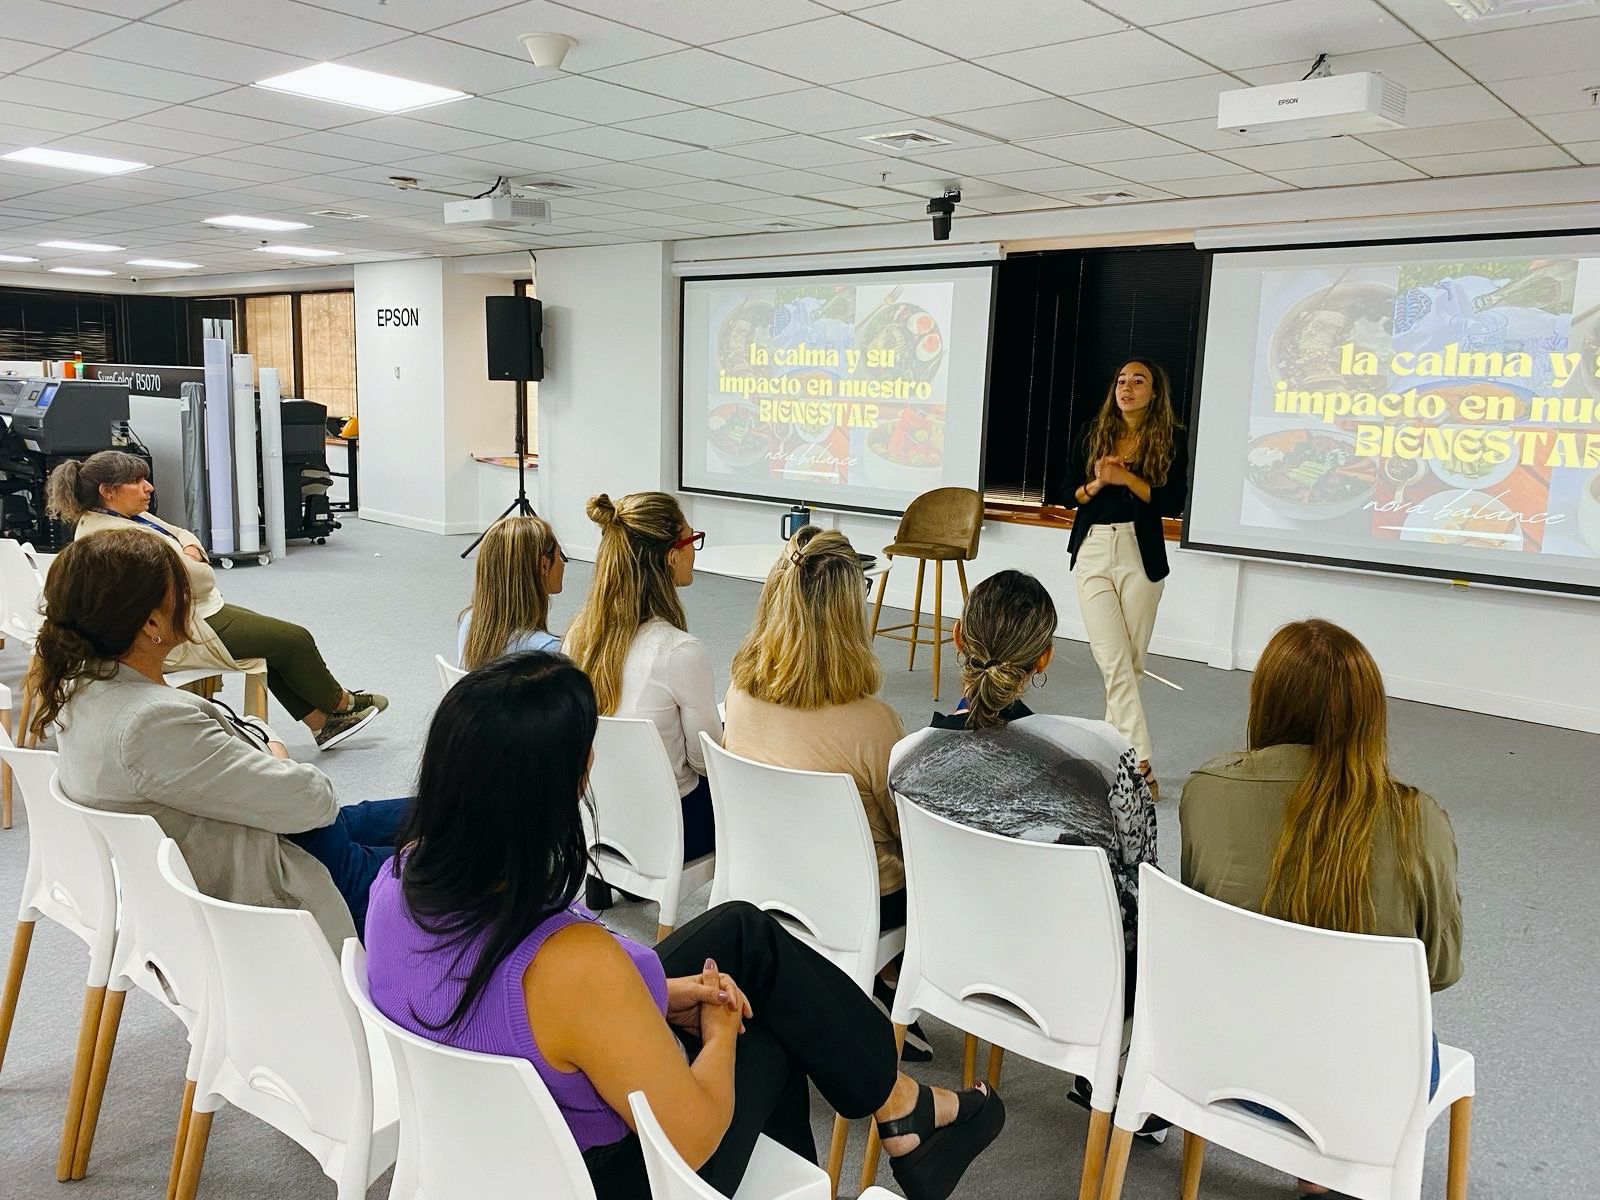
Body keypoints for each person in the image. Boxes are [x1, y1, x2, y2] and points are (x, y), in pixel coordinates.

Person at [364, 652, 1005, 1200]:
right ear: (561, 784)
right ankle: (904, 1117)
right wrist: (720, 1032)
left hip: (491, 1146)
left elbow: (526, 1013)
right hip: (604, 1178)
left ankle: (901, 1106)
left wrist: (661, 995)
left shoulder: (396, 880)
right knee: (764, 1031)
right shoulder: (574, 964)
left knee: (743, 933)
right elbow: (692, 1139)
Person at [1181, 619, 1462, 1174]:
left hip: (1220, 1061)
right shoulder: (1417, 820)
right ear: (1369, 713)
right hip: (1367, 1090)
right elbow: (1439, 969)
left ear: (1265, 700)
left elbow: (1200, 918)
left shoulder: (1205, 791)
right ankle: (1326, 1176)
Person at [36, 530, 407, 944]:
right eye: (182, 589)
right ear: (152, 623)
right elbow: (312, 800)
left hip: (264, 834)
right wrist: (276, 754)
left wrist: (264, 756)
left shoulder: (80, 689)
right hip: (290, 868)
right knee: (459, 853)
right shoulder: (151, 723)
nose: (192, 599)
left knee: (447, 808)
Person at [888, 570, 1157, 1003]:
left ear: (957, 637)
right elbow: (1145, 873)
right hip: (1082, 981)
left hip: (957, 957)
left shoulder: (905, 760)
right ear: (1044, 658)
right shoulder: (1103, 754)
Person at [720, 528, 920, 1054]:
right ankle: (889, 977)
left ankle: (877, 977)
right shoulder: (874, 723)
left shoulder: (739, 694)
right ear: (850, 613)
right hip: (858, 899)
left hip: (765, 876)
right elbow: (909, 834)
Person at [48, 451, 385, 750]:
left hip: (195, 610)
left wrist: (188, 550)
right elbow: (201, 578)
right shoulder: (114, 535)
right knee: (293, 639)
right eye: (136, 481)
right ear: (108, 491)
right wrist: (193, 555)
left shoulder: (126, 516)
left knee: (273, 641)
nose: (148, 487)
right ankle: (340, 702)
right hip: (177, 628)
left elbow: (182, 533)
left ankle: (323, 724)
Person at [1044, 359, 1187, 798]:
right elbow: (1066, 492)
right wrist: (1097, 484)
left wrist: (1124, 476)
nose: (1127, 387)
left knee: (1130, 665)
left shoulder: (1172, 437)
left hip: (1139, 552)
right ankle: (1140, 764)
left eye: (1138, 381)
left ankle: (1112, 761)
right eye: (1122, 380)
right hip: (1093, 548)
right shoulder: (1093, 432)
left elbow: (1172, 500)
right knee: (1113, 660)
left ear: (1154, 392)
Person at [563, 492, 718, 896]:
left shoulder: (578, 635)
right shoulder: (679, 651)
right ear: (671, 556)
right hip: (669, 829)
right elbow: (705, 763)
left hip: (597, 815)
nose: (694, 551)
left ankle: (606, 881)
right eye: (691, 540)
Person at [458, 514, 567, 669]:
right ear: (544, 565)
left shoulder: (470, 621)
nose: (563, 564)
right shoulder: (548, 651)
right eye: (559, 555)